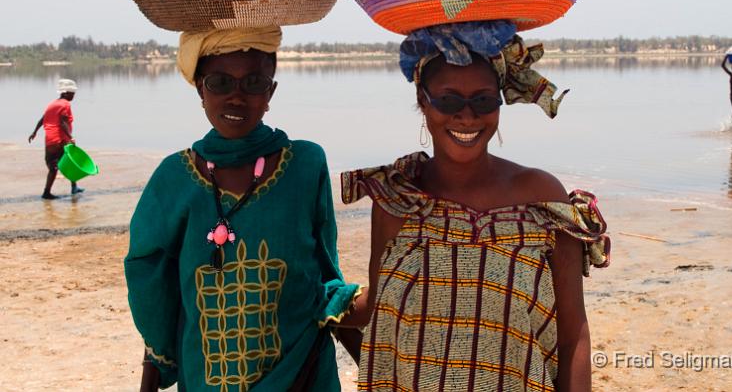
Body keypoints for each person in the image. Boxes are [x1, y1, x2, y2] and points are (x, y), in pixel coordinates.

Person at [340, 21, 610, 391]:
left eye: (483, 100)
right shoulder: (397, 199)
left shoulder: (540, 199)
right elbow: (375, 307)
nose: (466, 116)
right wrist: (318, 302)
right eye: (449, 100)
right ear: (423, 101)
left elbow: (572, 334)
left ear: (499, 103)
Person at [124, 28, 362, 392]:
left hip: (303, 373)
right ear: (200, 90)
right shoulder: (174, 178)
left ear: (271, 93)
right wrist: (151, 378)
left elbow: (325, 276)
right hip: (207, 378)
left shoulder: (305, 164)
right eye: (220, 83)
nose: (236, 97)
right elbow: (157, 293)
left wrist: (375, 368)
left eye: (253, 83)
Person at [28, 78, 84, 199]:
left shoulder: (52, 104)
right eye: (72, 93)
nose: (74, 95)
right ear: (66, 93)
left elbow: (42, 119)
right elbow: (63, 122)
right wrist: (71, 137)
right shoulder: (65, 104)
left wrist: (34, 132)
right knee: (55, 167)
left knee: (68, 163)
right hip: (59, 140)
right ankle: (46, 193)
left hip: (51, 140)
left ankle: (74, 187)